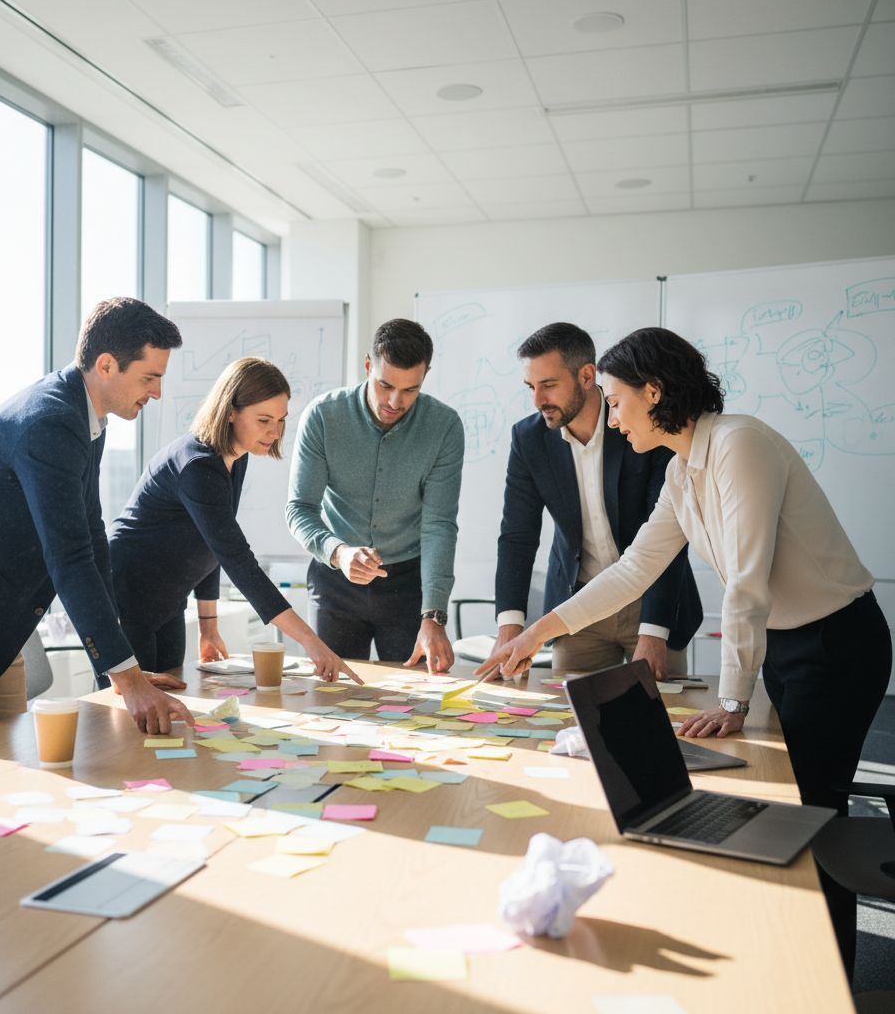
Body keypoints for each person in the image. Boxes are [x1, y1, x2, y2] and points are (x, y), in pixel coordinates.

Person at [477, 326, 891, 976]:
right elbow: (631, 572)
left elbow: (747, 582)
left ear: (655, 391)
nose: (612, 420)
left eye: (616, 402)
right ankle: (806, 957)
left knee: (814, 816)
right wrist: (538, 631)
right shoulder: (682, 471)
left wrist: (732, 697)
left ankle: (825, 972)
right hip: (789, 645)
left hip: (837, 641)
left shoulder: (739, 445)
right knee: (800, 805)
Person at [0, 297, 196, 743]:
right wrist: (128, 680)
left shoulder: (86, 419)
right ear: (106, 365)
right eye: (150, 377)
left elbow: (90, 537)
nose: (157, 393)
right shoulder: (51, 420)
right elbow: (70, 557)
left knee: (9, 776)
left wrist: (123, 670)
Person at [108, 357, 362, 685]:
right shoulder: (198, 466)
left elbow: (210, 544)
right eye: (264, 420)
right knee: (132, 712)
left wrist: (209, 628)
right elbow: (238, 562)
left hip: (168, 599)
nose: (275, 431)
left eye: (281, 420)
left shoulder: (234, 459)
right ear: (230, 412)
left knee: (171, 699)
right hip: (127, 596)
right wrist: (314, 644)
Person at [492, 322, 701, 677]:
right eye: (531, 387)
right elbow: (518, 535)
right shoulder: (529, 439)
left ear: (587, 376)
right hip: (576, 606)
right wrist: (510, 628)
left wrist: (653, 631)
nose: (537, 400)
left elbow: (669, 535)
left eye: (549, 385)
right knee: (569, 720)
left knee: (662, 718)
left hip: (651, 602)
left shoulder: (641, 424)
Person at [286, 319, 465, 672]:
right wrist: (339, 552)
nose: (395, 402)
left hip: (407, 588)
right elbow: (300, 509)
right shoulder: (323, 416)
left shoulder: (444, 427)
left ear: (425, 376)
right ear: (368, 366)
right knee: (330, 696)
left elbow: (439, 525)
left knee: (412, 702)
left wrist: (434, 616)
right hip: (335, 581)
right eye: (385, 385)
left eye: (410, 390)